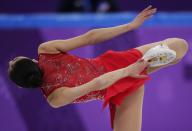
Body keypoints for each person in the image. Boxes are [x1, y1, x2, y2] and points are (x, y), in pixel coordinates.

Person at [8, 5, 188, 131]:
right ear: (28, 62)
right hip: (117, 75)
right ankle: (151, 59)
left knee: (177, 48)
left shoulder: (54, 98)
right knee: (179, 46)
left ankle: (150, 61)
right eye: (14, 60)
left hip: (119, 78)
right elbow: (90, 39)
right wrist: (129, 27)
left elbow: (97, 81)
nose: (11, 60)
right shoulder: (46, 51)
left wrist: (130, 68)